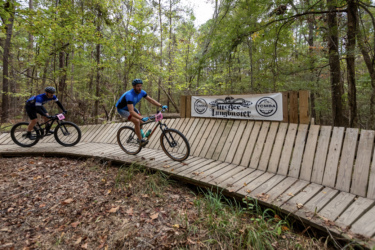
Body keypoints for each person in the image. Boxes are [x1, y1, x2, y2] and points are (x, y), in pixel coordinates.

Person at [116, 79, 167, 145]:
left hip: (130, 106)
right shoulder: (129, 95)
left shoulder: (142, 92)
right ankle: (140, 141)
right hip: (122, 109)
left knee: (141, 121)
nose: (140, 88)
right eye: (138, 86)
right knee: (137, 121)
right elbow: (131, 112)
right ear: (134, 87)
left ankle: (140, 135)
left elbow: (151, 100)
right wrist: (141, 118)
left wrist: (161, 105)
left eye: (140, 86)